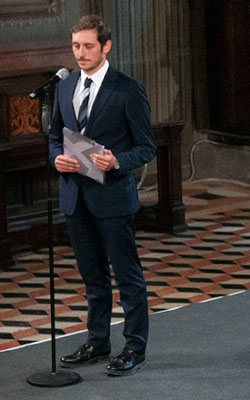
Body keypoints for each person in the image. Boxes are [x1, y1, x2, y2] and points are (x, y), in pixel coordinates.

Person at [48, 15, 155, 376]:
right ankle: (97, 341)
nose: (80, 53)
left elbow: (146, 147)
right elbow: (54, 137)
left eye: (88, 46)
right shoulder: (64, 87)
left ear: (106, 46)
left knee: (127, 276)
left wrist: (116, 161)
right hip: (75, 197)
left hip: (112, 198)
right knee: (92, 276)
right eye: (76, 46)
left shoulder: (127, 89)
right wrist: (56, 159)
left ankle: (135, 347)